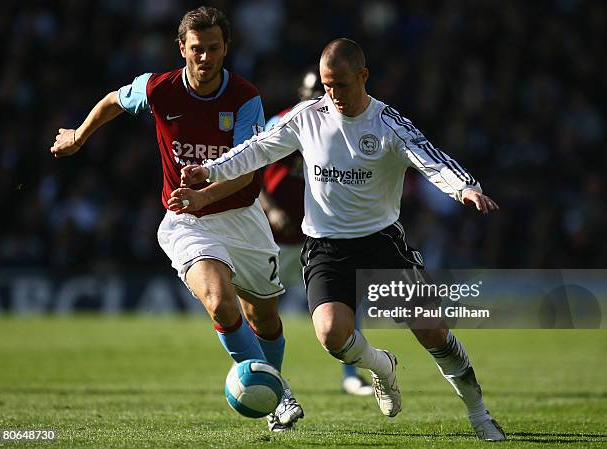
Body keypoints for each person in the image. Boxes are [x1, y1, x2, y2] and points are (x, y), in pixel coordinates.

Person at [173, 38, 506, 441]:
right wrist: (209, 171)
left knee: (433, 332)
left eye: (342, 85)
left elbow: (427, 155)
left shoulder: (386, 123)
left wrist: (463, 187)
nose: (333, 95)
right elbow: (257, 149)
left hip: (382, 242)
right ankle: (382, 367)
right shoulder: (308, 116)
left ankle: (479, 414)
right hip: (326, 247)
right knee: (331, 334)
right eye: (328, 86)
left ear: (363, 76)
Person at [48, 6, 303, 432]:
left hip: (241, 217)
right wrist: (79, 135)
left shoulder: (245, 99)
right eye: (197, 49)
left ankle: (271, 386)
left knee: (264, 318)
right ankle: (281, 397)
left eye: (214, 49)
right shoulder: (159, 88)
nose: (205, 58)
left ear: (227, 49)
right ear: (181, 48)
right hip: (187, 220)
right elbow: (114, 100)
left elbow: (243, 169)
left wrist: (204, 191)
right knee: (220, 302)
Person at [261, 67, 372, 396]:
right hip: (276, 237)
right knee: (265, 311)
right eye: (310, 93)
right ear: (300, 94)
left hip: (317, 234)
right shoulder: (282, 123)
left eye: (319, 93)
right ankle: (264, 376)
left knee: (344, 302)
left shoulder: (338, 128)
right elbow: (251, 174)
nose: (315, 99)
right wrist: (273, 209)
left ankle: (352, 374)